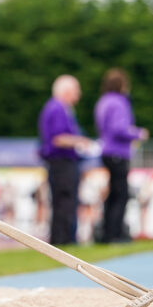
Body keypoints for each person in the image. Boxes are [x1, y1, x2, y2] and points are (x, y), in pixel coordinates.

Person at [94, 68, 149, 243]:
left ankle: (107, 232)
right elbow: (119, 128)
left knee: (112, 195)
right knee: (121, 194)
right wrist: (138, 134)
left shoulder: (103, 101)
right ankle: (115, 234)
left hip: (106, 150)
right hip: (118, 152)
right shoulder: (119, 102)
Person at [38, 75, 93, 245]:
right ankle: (64, 240)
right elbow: (58, 138)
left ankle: (64, 239)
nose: (79, 94)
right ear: (67, 91)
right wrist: (81, 141)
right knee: (65, 201)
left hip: (63, 162)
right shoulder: (57, 108)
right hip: (61, 162)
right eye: (76, 90)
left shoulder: (61, 108)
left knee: (64, 201)